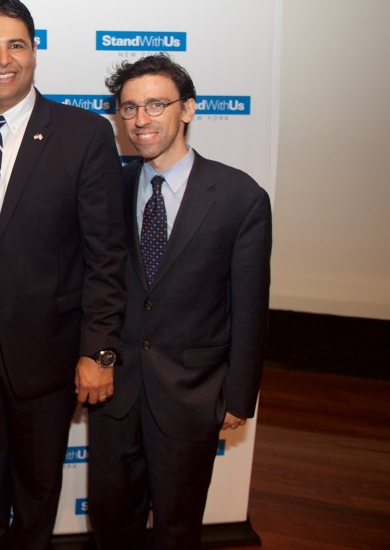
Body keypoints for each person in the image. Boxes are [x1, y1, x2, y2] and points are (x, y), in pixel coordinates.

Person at [0, 0, 126, 549]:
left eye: (15, 44)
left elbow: (106, 256)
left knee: (38, 491)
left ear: (34, 52)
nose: (2, 58)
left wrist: (99, 350)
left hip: (50, 351)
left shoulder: (83, 134)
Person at [88, 53, 272, 550]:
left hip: (192, 395)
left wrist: (238, 397)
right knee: (110, 526)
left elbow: (249, 307)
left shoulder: (239, 196)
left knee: (177, 528)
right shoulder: (110, 188)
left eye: (155, 105)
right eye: (128, 109)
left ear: (187, 109)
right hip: (115, 395)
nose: (140, 120)